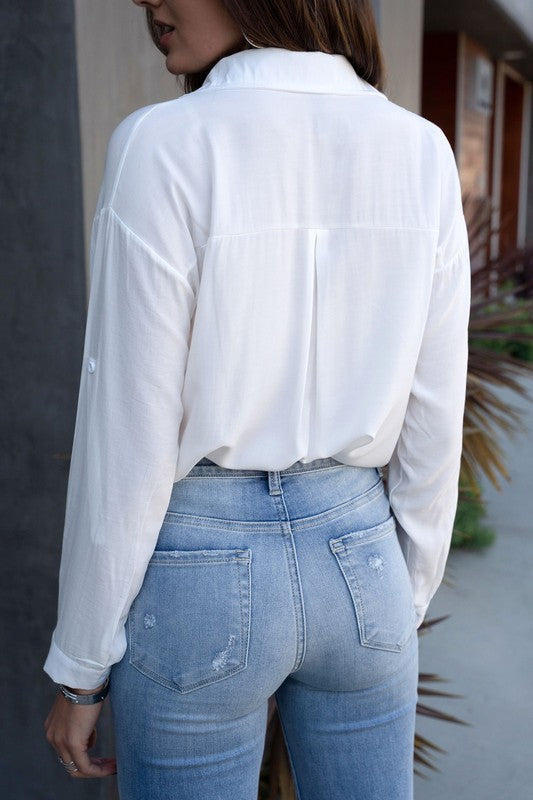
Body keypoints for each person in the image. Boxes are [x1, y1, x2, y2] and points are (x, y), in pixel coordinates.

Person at [43, 1, 471, 798]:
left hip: (198, 570)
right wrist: (400, 593)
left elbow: (128, 434)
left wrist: (81, 666)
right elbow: (435, 409)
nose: (146, 1)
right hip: (362, 554)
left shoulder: (161, 144)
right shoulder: (421, 150)